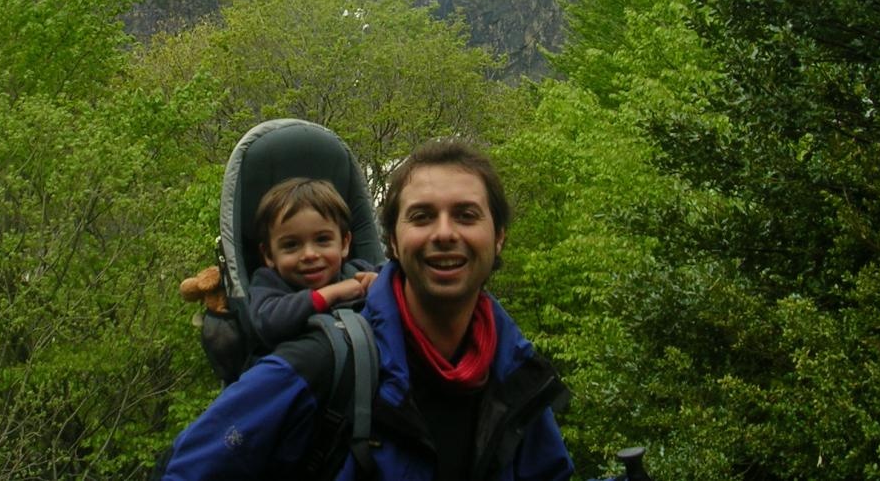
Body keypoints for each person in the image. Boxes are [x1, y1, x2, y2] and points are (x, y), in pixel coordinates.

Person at [157, 137, 573, 481]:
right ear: (391, 241)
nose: (445, 233)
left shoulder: (515, 371)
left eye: (465, 215)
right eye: (423, 216)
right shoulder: (321, 365)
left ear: (498, 237)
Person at [249, 177, 378, 347]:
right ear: (269, 255)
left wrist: (380, 284)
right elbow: (266, 323)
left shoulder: (357, 271)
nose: (309, 255)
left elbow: (401, 286)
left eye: (322, 240)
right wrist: (328, 295)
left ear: (344, 244)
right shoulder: (268, 283)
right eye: (291, 245)